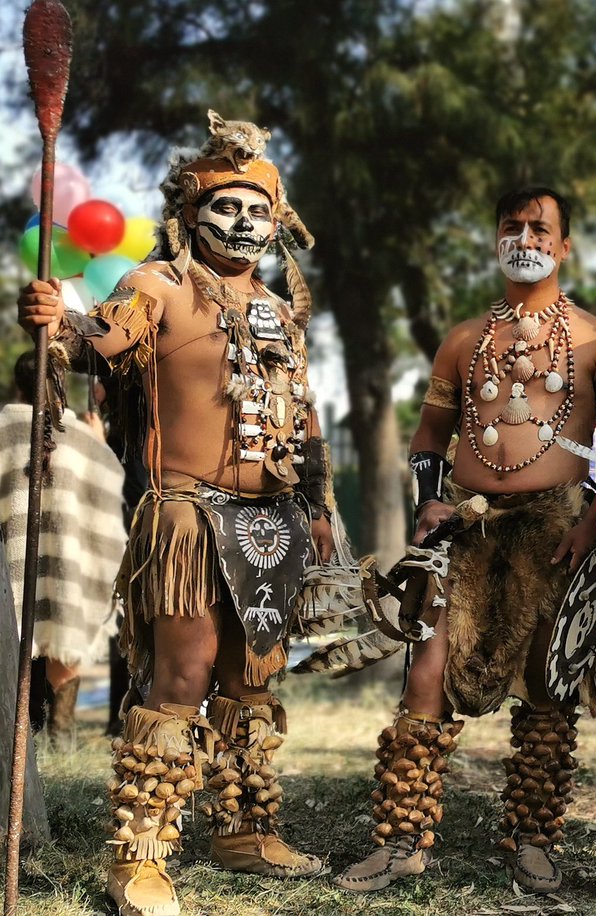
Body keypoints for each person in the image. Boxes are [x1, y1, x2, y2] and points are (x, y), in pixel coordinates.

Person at [19, 111, 332, 916]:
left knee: (254, 681)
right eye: (226, 208)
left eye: (259, 211)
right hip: (189, 519)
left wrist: (321, 506)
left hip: (273, 521)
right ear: (188, 215)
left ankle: (243, 830)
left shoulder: (283, 309)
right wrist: (59, 324)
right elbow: (98, 344)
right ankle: (141, 857)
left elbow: (304, 415)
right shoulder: (153, 286)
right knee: (181, 679)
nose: (244, 224)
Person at [334, 187, 596, 896]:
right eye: (513, 226)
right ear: (495, 239)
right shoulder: (465, 339)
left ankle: (533, 843)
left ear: (565, 246)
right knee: (425, 676)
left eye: (542, 228)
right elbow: (429, 436)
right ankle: (402, 840)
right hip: (467, 527)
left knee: (545, 684)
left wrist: (595, 521)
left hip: (556, 529)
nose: (526, 237)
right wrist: (430, 502)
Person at [0, 350, 125, 746]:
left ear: (20, 385)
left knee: (18, 653)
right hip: (67, 570)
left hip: (12, 568)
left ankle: (28, 735)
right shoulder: (84, 437)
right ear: (58, 386)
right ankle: (56, 731)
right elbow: (108, 498)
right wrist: (100, 442)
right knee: (59, 641)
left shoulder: (3, 426)